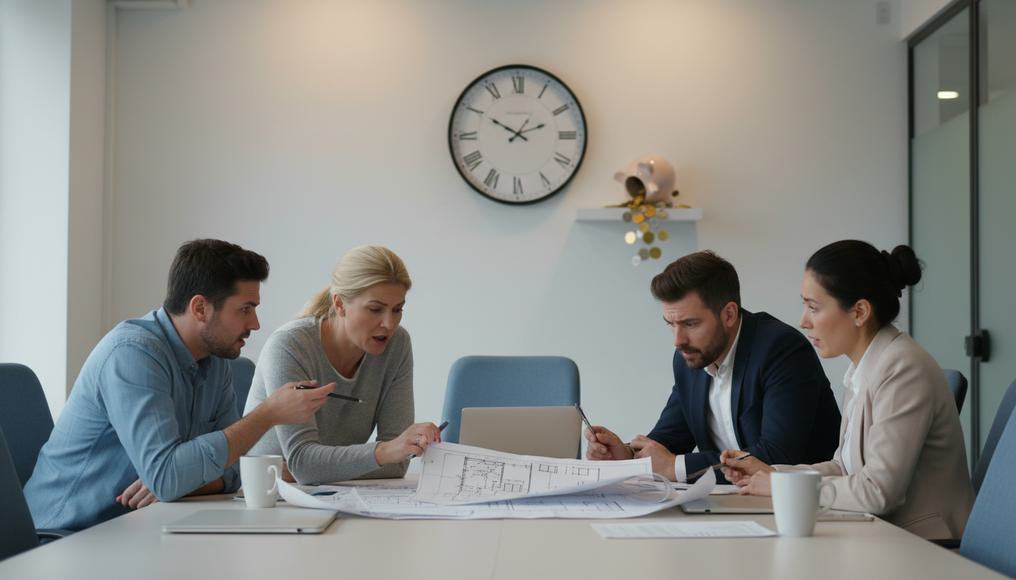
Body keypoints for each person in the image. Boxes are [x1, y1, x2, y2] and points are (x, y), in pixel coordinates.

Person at [25, 239, 336, 531]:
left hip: (143, 526)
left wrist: (185, 478)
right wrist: (268, 413)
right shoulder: (132, 354)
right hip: (68, 535)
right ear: (199, 308)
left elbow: (233, 470)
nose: (255, 323)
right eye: (245, 309)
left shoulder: (215, 362)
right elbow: (169, 477)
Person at [721, 240, 974, 540]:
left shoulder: (902, 368)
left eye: (813, 307)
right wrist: (774, 474)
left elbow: (879, 491)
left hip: (925, 545)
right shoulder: (866, 367)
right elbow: (844, 466)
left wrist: (778, 487)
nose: (803, 321)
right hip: (883, 535)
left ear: (859, 312)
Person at [585, 250, 841, 482]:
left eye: (691, 324)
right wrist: (628, 456)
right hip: (734, 505)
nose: (678, 340)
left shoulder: (781, 350)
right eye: (670, 324)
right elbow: (671, 437)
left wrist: (674, 467)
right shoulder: (689, 357)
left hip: (808, 509)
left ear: (729, 314)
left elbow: (776, 457)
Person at [244, 245, 441, 484]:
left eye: (397, 310)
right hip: (269, 497)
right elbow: (304, 465)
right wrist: (383, 453)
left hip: (336, 492)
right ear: (339, 304)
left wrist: (319, 469)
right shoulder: (290, 345)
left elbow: (398, 462)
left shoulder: (397, 344)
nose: (389, 324)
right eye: (375, 309)